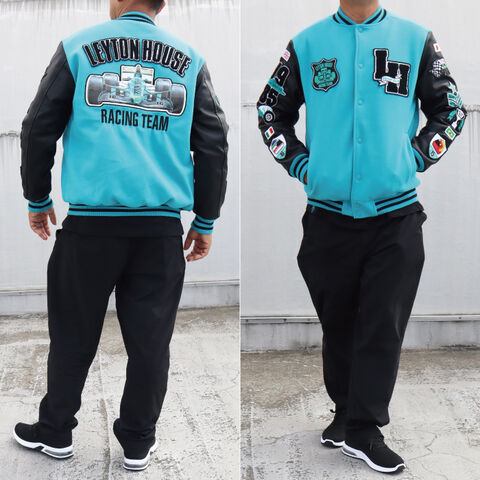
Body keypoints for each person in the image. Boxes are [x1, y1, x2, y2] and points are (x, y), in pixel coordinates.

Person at [14, 0, 228, 472]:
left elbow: (37, 127)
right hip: (159, 232)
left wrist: (37, 197)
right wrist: (206, 219)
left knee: (72, 335)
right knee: (150, 342)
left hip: (90, 229)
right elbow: (213, 142)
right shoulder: (190, 60)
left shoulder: (78, 48)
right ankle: (137, 442)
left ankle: (55, 431)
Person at [257, 0, 466, 474]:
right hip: (327, 218)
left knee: (380, 325)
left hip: (396, 218)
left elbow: (450, 109)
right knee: (339, 324)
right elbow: (270, 110)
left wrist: (414, 157)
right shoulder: (307, 44)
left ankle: (365, 429)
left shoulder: (415, 40)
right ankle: (346, 411)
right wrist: (303, 165)